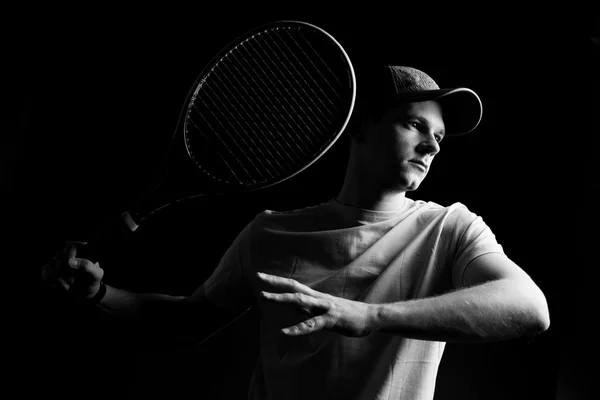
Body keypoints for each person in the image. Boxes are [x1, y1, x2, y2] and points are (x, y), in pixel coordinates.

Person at [42, 65, 550, 400]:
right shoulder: (271, 232)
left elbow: (530, 309)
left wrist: (371, 315)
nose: (432, 147)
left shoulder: (449, 227)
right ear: (363, 128)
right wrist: (100, 294)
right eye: (415, 126)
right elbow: (188, 320)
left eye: (438, 137)